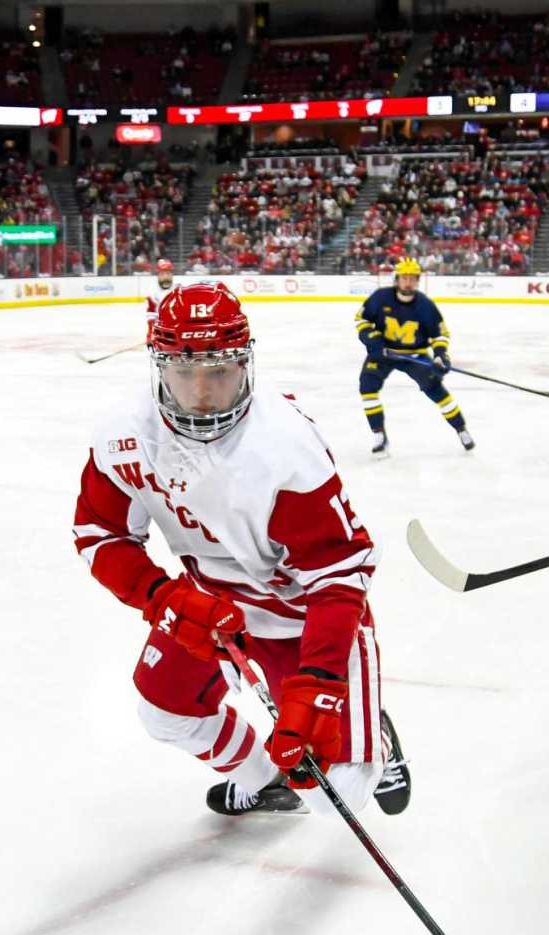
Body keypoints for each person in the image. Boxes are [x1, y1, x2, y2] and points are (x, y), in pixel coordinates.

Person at [73, 282, 410, 817]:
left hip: (300, 616)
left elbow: (339, 577)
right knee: (165, 714)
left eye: (218, 372)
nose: (202, 391)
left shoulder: (283, 445)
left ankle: (378, 741)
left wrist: (319, 683)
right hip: (207, 607)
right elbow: (99, 533)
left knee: (333, 798)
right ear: (159, 366)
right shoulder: (123, 435)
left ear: (245, 364)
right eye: (185, 373)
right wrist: (163, 598)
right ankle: (267, 779)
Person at [353, 257, 473, 457]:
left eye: (412, 278)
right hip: (384, 353)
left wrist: (441, 355)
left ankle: (461, 429)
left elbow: (440, 335)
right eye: (404, 278)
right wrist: (373, 341)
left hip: (414, 355)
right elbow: (361, 320)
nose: (408, 282)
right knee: (367, 387)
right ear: (397, 279)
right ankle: (379, 434)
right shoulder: (381, 297)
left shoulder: (425, 305)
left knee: (436, 390)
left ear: (417, 280)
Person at [144, 258, 174, 324]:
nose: (166, 277)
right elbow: (151, 318)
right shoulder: (152, 294)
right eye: (162, 274)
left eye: (168, 274)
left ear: (172, 275)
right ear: (158, 275)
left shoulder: (178, 289)